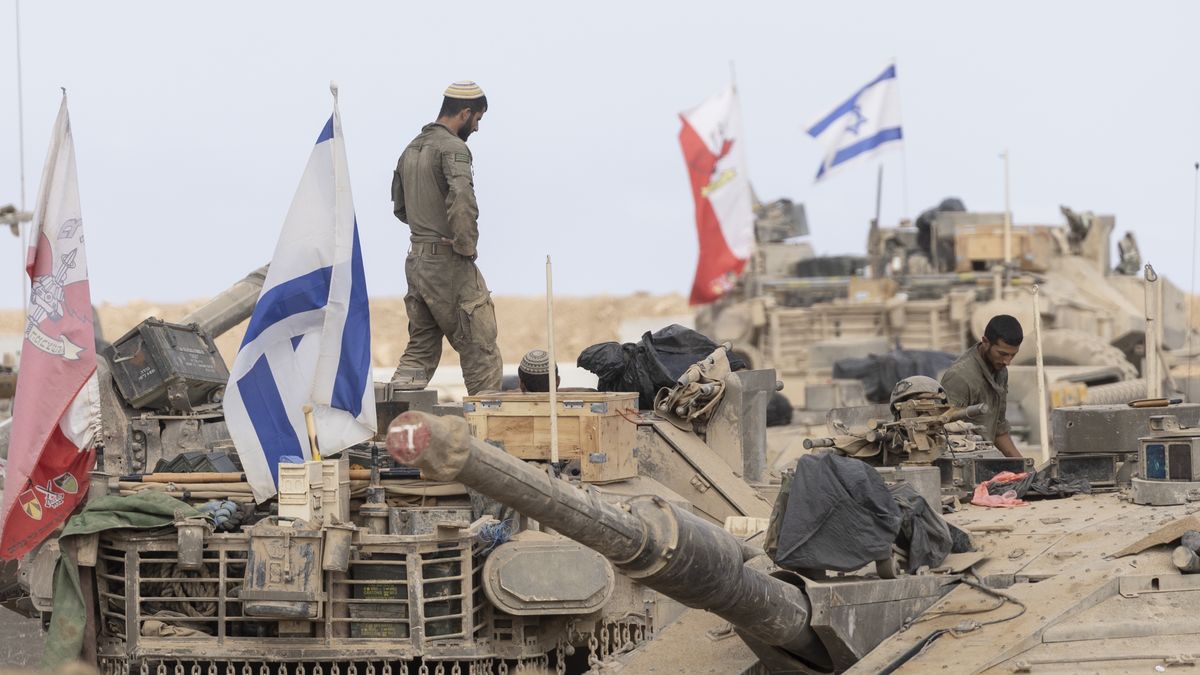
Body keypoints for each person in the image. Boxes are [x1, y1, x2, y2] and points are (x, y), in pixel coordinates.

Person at [390, 81, 502, 395]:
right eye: (477, 119)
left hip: (417, 262)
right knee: (481, 350)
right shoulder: (453, 148)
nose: (477, 127)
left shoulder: (411, 147)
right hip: (448, 263)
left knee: (420, 349)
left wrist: (426, 231)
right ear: (465, 112)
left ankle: (391, 425)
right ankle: (487, 434)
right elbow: (463, 200)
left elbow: (401, 208)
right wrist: (465, 248)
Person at [940, 314, 1023, 459]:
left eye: (1012, 355)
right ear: (985, 342)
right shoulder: (960, 377)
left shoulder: (1000, 370)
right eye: (1002, 353)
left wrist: (1025, 467)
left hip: (984, 459)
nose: (1008, 361)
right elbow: (943, 433)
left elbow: (999, 428)